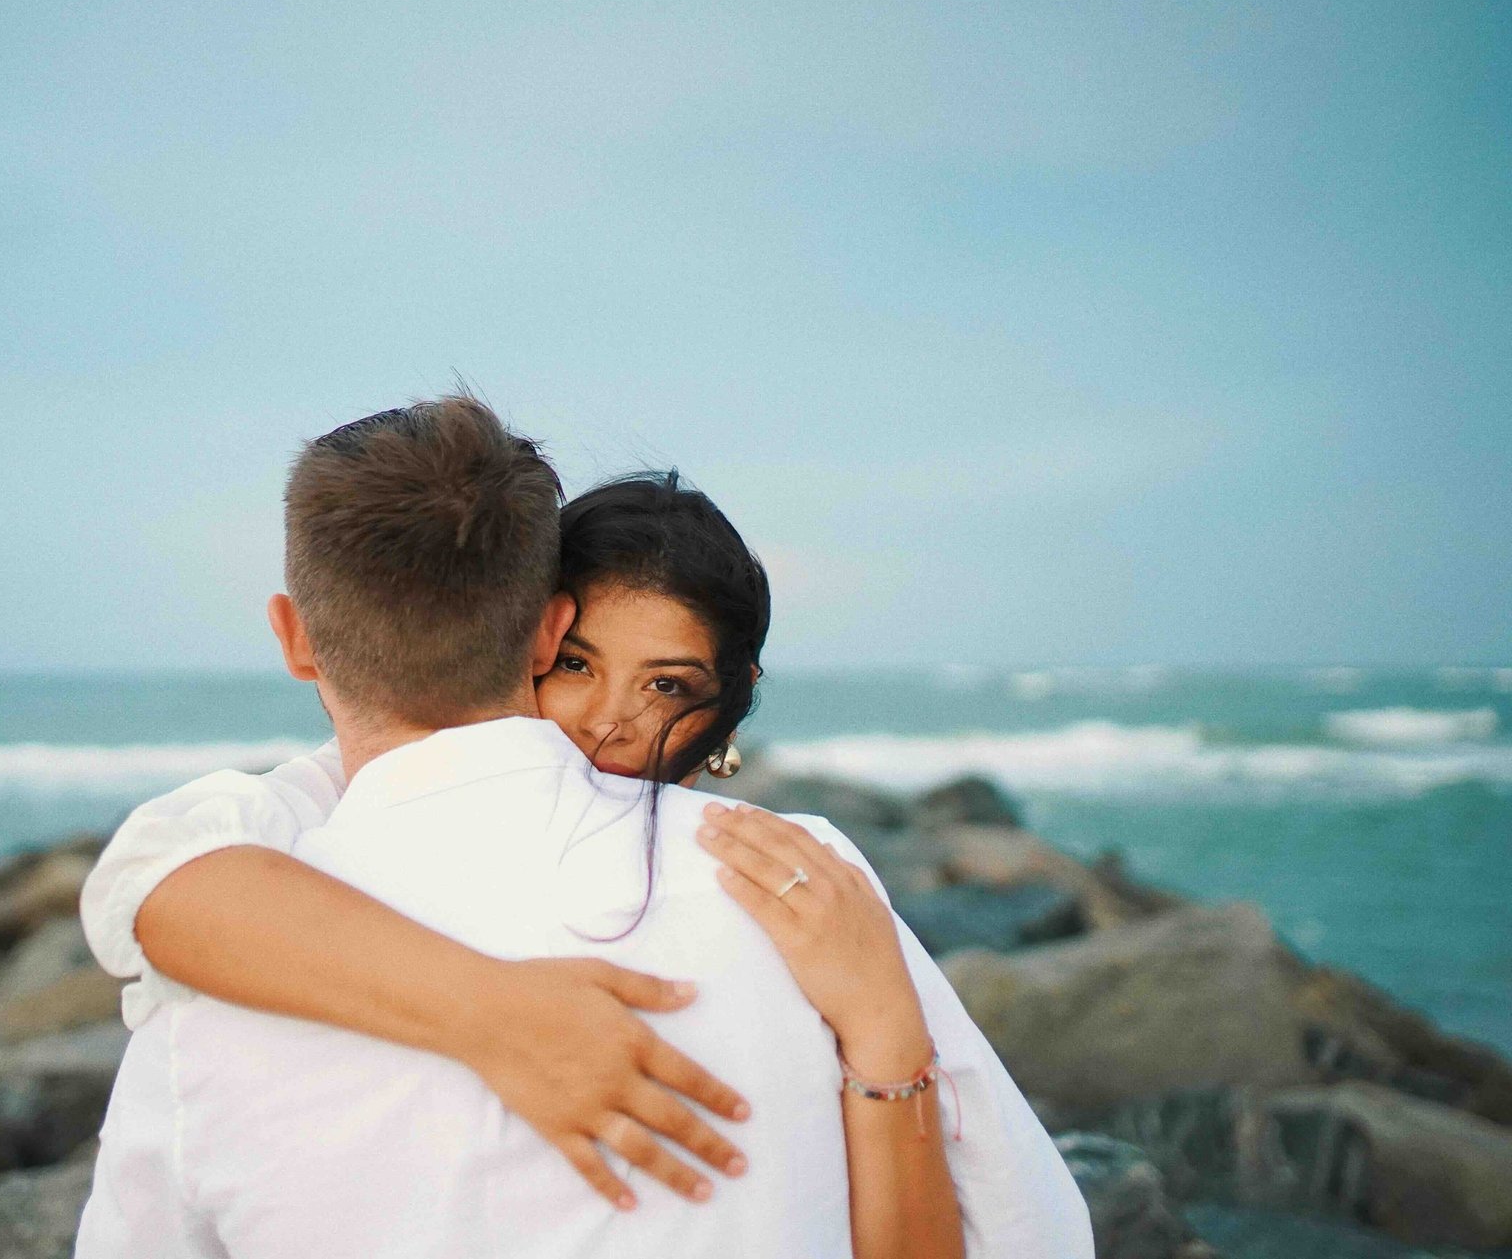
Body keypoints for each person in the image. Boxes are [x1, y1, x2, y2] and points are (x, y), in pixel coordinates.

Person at [77, 397, 1090, 1257]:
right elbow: (1031, 1232)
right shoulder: (798, 884)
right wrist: (489, 1012)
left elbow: (155, 876)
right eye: (584, 667)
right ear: (548, 628)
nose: (611, 719)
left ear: (296, 638)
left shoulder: (212, 980)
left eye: (667, 686)